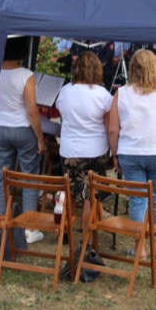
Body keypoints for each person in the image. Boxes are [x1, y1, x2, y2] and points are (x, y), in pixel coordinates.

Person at [108, 49, 156, 260]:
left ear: (133, 68)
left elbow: (113, 129)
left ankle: (140, 248)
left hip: (131, 152)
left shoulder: (122, 93)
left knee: (138, 200)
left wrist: (114, 153)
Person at [0, 36, 46, 256]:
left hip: (0, 127)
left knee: (1, 177)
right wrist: (40, 138)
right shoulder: (26, 75)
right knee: (28, 178)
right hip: (22, 128)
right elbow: (32, 110)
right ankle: (28, 227)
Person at [55, 51, 114, 252]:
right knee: (91, 195)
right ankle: (86, 235)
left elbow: (63, 117)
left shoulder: (65, 92)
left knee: (70, 191)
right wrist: (113, 151)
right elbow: (108, 126)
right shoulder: (103, 95)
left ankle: (65, 230)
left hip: (70, 148)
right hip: (95, 149)